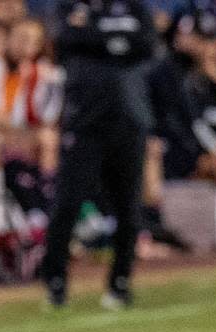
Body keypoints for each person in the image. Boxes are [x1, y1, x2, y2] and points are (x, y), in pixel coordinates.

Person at [41, 0, 155, 310]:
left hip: (129, 121)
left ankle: (120, 281)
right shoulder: (70, 7)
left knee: (129, 209)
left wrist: (95, 38)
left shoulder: (133, 7)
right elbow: (66, 40)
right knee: (67, 204)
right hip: (85, 122)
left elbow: (147, 44)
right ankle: (55, 281)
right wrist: (117, 43)